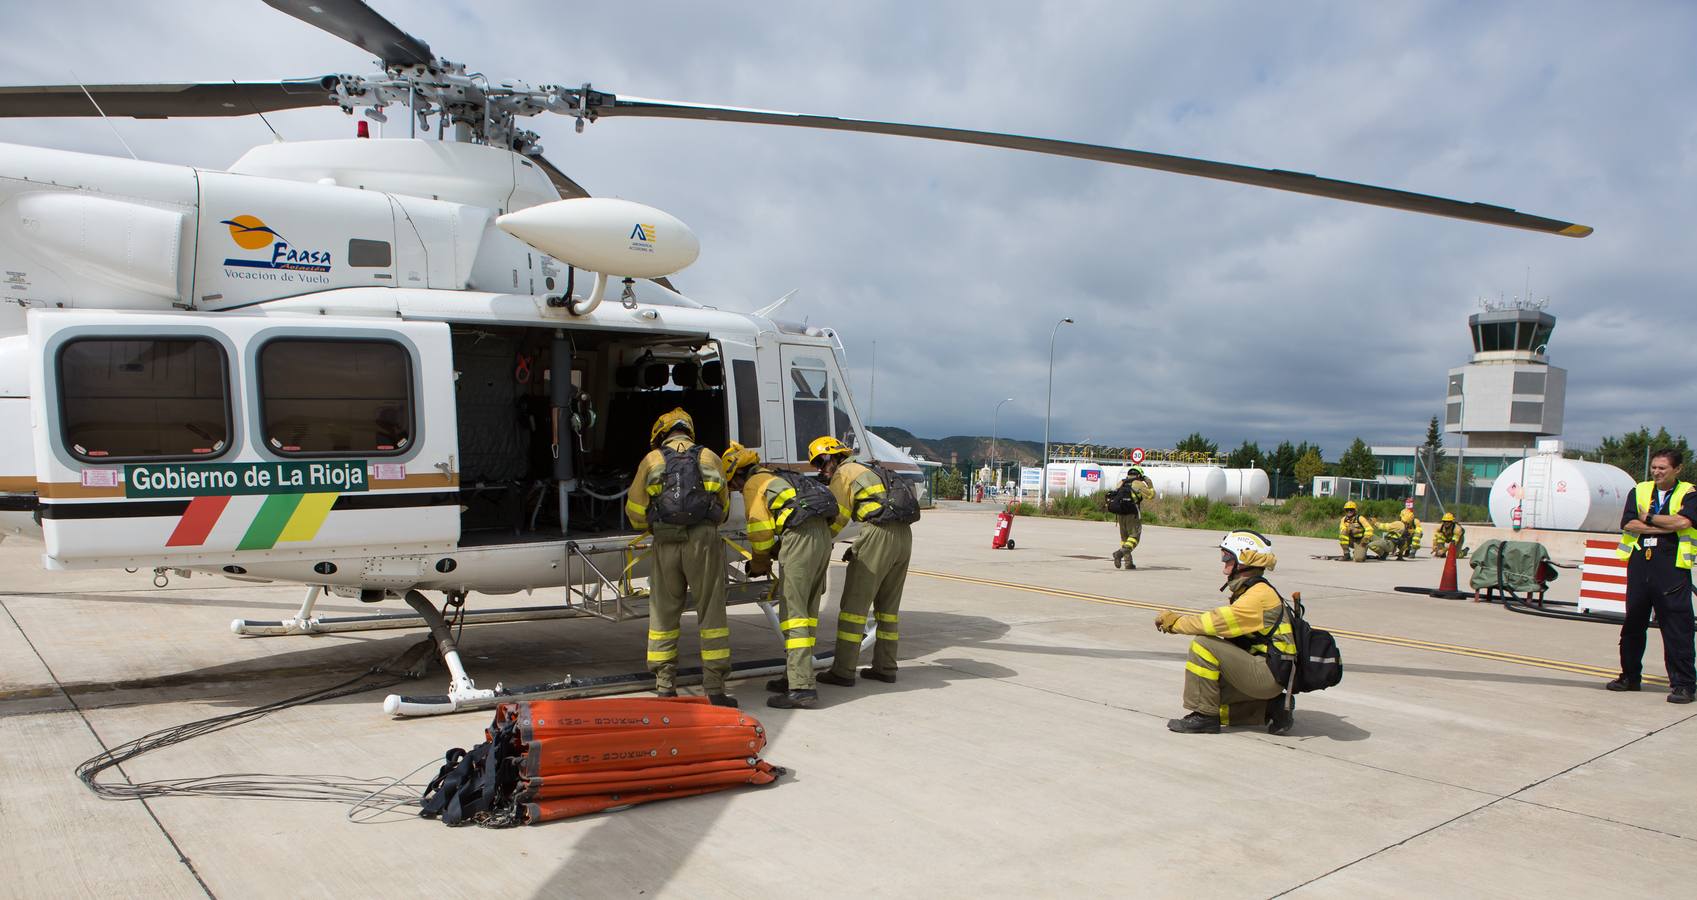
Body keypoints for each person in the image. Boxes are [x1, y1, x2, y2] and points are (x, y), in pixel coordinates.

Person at [625, 408, 737, 707]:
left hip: (665, 541)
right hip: (703, 541)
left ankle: (664, 686)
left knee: (663, 612)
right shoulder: (710, 457)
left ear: (660, 434)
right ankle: (714, 688)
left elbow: (635, 513)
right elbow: (723, 509)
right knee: (711, 613)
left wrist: (656, 524)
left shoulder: (651, 460)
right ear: (689, 431)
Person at [722, 443, 848, 709]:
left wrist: (758, 565)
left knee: (793, 613)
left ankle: (802, 688)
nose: (734, 489)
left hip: (800, 538)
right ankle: (794, 675)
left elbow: (760, 532)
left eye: (732, 484)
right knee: (808, 610)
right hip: (822, 537)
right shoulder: (778, 477)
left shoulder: (754, 484)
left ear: (736, 475)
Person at [1155, 530, 1298, 734]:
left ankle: (1205, 717)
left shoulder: (1258, 596)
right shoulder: (1253, 590)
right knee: (1212, 696)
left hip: (1267, 674)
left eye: (1228, 557)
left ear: (1244, 560)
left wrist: (1175, 623)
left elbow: (1213, 623)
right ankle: (1273, 708)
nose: (1224, 565)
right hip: (1268, 671)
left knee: (1203, 644)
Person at [811, 436, 915, 687]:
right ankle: (886, 667)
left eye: (821, 463)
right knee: (888, 609)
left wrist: (817, 542)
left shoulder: (844, 473)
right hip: (904, 537)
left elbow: (837, 517)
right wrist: (858, 546)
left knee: (853, 608)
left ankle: (843, 671)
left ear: (832, 457)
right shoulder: (872, 467)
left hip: (877, 534)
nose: (820, 470)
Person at [1607, 448, 1697, 703]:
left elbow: (1683, 523)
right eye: (1654, 467)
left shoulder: (1689, 493)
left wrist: (1647, 518)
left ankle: (1684, 684)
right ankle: (1630, 676)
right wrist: (1661, 525)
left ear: (1677, 469)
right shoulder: (1639, 491)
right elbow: (1628, 523)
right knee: (1633, 624)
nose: (1656, 472)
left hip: (1671, 567)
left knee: (1677, 627)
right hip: (1639, 564)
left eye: (1663, 468)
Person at [1107, 468, 1156, 570]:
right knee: (1134, 537)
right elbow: (1151, 495)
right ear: (1139, 475)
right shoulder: (1138, 484)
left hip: (1120, 514)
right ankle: (1119, 553)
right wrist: (1149, 483)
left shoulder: (1121, 483)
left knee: (1124, 539)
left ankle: (1128, 563)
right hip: (1132, 514)